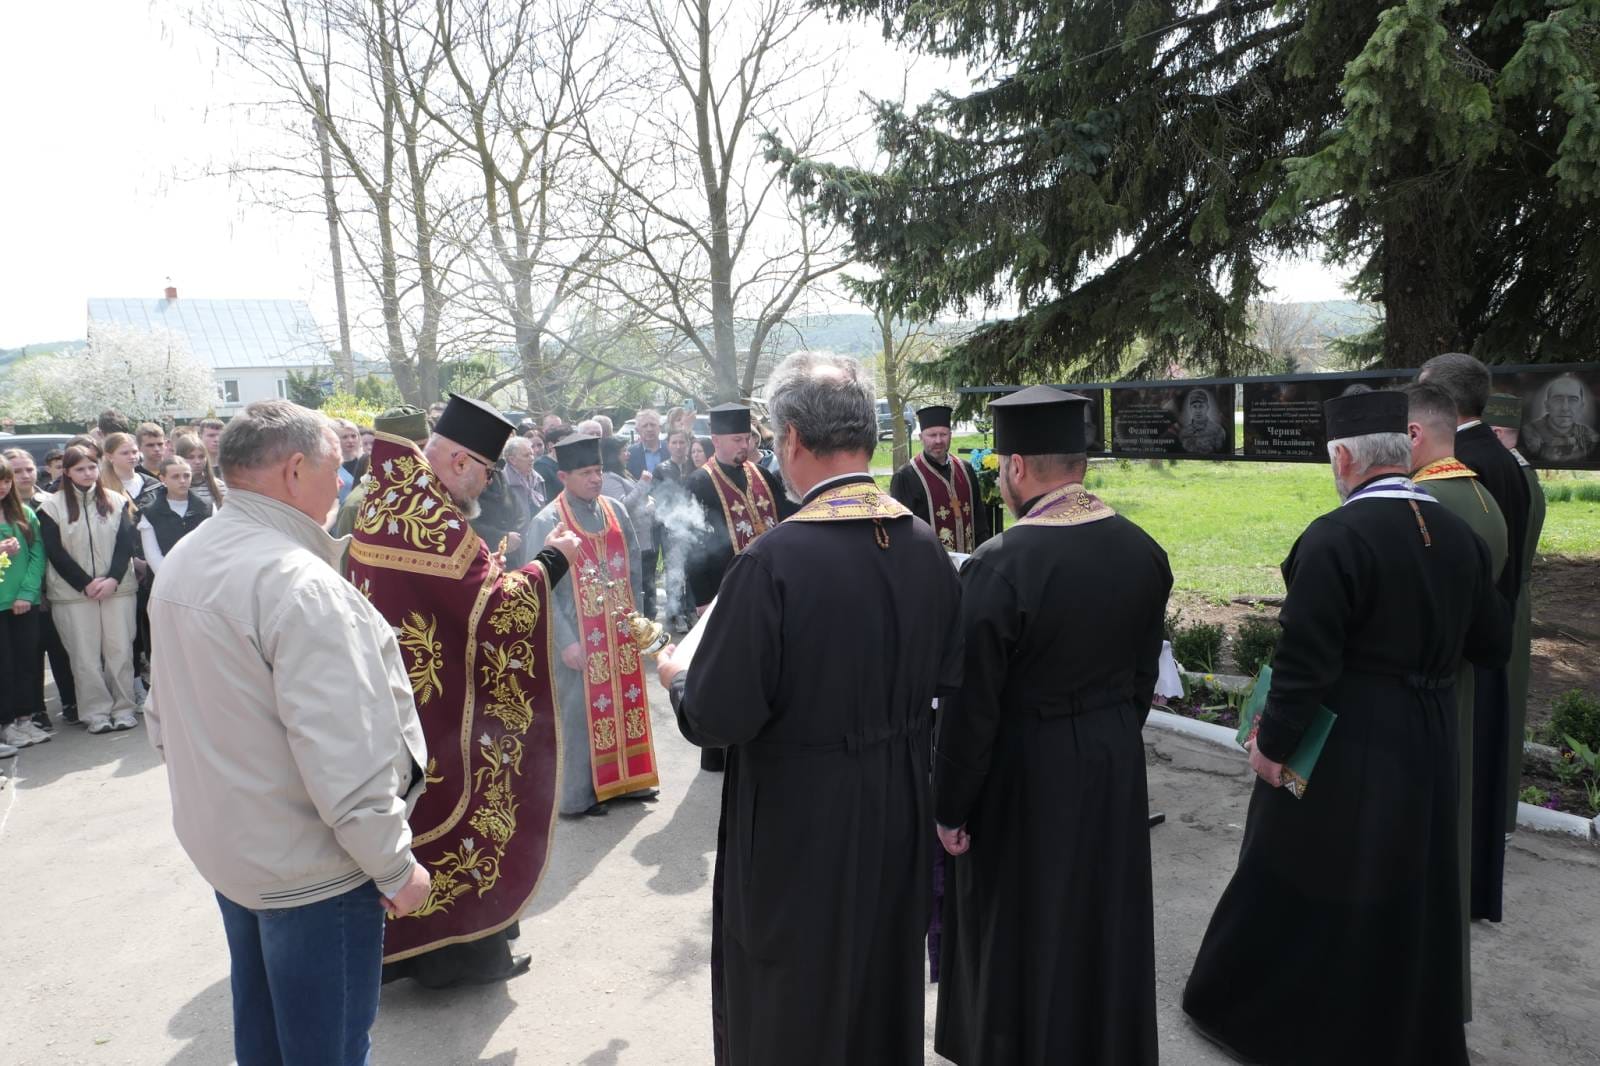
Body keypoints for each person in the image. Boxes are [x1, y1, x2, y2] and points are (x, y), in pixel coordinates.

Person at [1183, 390, 1510, 1066]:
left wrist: (1272, 746)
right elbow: (1492, 645)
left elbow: (1304, 662)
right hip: (1429, 736)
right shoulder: (1460, 536)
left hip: (1349, 737)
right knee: (1406, 878)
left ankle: (1276, 1025)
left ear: (1343, 459)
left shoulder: (1335, 537)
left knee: (1299, 868)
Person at [657, 351, 963, 1066]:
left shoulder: (772, 562)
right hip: (898, 801)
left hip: (801, 815)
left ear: (791, 437)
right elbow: (950, 675)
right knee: (881, 977)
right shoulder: (924, 547)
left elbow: (717, 718)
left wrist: (677, 677)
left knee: (793, 991)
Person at [145, 400, 430, 1066]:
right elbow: (345, 755)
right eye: (336, 467)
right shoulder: (299, 584)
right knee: (326, 1050)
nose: (344, 482)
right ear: (296, 469)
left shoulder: (190, 555)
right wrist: (394, 865)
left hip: (236, 852)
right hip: (312, 872)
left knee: (267, 1040)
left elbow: (163, 720)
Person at [933, 386, 1169, 1066]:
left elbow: (971, 709)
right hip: (1113, 758)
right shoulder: (1142, 550)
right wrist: (1109, 733)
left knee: (1025, 920)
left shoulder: (1000, 565)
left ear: (1015, 467)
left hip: (1027, 769)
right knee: (1101, 909)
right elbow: (1142, 676)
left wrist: (950, 808)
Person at [349, 397, 582, 989]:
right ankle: (457, 957)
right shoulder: (432, 514)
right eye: (486, 470)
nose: (488, 483)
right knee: (457, 807)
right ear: (458, 462)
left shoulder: (394, 493)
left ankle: (416, 950)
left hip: (406, 694)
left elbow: (454, 594)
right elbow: (498, 611)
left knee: (416, 813)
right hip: (439, 708)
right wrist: (553, 560)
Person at [1407, 382, 1508, 1019]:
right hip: (1462, 676)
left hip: (1426, 686)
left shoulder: (1427, 503)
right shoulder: (1481, 495)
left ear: (1414, 435)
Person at [1417, 351, 1528, 922]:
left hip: (1462, 646)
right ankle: (1474, 886)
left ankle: (1456, 890)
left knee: (1463, 774)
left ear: (1441, 401)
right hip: (1492, 630)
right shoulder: (1500, 456)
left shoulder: (1458, 468)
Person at [527, 433, 660, 817]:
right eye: (586, 472)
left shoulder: (615, 508)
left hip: (618, 628)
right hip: (578, 633)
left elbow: (634, 565)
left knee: (625, 701)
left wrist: (639, 619)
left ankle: (627, 782)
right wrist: (565, 641)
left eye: (599, 470)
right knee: (578, 714)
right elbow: (540, 588)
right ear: (563, 476)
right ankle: (578, 796)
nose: (595, 478)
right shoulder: (548, 521)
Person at [681, 403, 796, 772]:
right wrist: (702, 599)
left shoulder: (764, 476)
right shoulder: (699, 482)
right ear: (716, 440)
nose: (744, 445)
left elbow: (789, 520)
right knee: (724, 669)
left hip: (771, 589)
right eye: (736, 439)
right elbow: (691, 544)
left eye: (747, 438)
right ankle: (718, 749)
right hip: (723, 591)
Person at [36, 445, 140, 735]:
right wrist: (84, 582)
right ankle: (96, 713)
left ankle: (124, 708)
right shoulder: (52, 507)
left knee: (120, 651)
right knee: (85, 657)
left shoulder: (117, 501)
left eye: (92, 467)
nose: (87, 473)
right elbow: (55, 551)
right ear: (67, 472)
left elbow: (126, 544)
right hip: (73, 595)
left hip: (117, 590)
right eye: (79, 469)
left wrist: (113, 579)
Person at [1484, 392, 1546, 836]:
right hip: (1515, 599)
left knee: (1496, 710)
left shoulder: (1507, 478)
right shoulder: (1525, 474)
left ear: (1495, 432)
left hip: (1502, 600)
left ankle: (1492, 818)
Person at [6, 449, 75, 728]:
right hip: (23, 595)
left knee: (61, 648)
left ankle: (71, 702)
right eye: (17, 471)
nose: (25, 476)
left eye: (29, 469)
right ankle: (35, 710)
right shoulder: (9, 508)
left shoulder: (51, 501)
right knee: (29, 655)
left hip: (57, 588)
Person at [889, 404, 990, 554]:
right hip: (929, 565)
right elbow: (901, 534)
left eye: (943, 434)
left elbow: (980, 522)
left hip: (968, 563)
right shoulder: (906, 477)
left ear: (951, 435)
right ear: (921, 438)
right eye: (932, 435)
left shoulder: (966, 470)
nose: (938, 441)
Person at [0, 459, 49, 751]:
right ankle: (5, 724)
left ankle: (24, 718)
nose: (3, 486)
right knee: (3, 666)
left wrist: (27, 593)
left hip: (23, 602)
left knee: (26, 662)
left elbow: (37, 554)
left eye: (6, 481)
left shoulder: (24, 513)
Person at [604, 435, 658, 619]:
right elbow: (623, 506)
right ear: (612, 455)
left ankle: (651, 623)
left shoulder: (623, 473)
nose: (627, 454)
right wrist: (643, 483)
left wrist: (649, 501)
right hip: (633, 542)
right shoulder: (609, 478)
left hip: (644, 538)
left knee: (649, 585)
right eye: (623, 451)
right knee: (640, 587)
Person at [652, 428, 700, 630]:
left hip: (694, 526)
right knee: (674, 570)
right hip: (671, 527)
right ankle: (675, 613)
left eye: (682, 442)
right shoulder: (661, 469)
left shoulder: (695, 465)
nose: (679, 446)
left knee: (694, 568)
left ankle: (692, 610)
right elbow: (657, 498)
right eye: (674, 442)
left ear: (688, 445)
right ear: (668, 445)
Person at [137, 456, 213, 575]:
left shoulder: (207, 507)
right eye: (175, 477)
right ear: (163, 479)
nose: (182, 481)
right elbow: (152, 554)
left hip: (204, 576)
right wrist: (170, 579)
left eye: (186, 476)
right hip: (165, 578)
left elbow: (214, 544)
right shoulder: (150, 512)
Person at [1521, 374, 1597, 461]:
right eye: (1558, 399)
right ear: (1547, 405)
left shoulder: (1590, 436)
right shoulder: (1529, 432)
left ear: (1581, 406)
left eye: (1573, 400)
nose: (1565, 408)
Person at [175, 433, 226, 510]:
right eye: (191, 457)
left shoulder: (219, 486)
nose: (197, 462)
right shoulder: (171, 488)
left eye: (201, 457)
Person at [627, 407, 666, 477]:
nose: (649, 429)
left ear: (660, 428)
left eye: (653, 425)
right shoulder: (630, 453)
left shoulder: (671, 448)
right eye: (645, 426)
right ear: (637, 430)